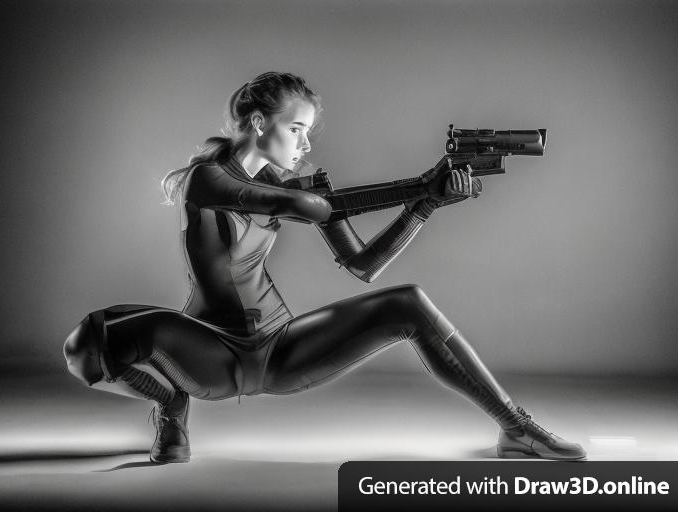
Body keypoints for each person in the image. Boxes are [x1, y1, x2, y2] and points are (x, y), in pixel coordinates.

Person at [63, 72, 585, 463]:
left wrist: (424, 204)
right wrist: (417, 186)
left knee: (408, 303)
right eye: (297, 129)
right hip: (208, 353)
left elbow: (364, 265)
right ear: (258, 123)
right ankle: (169, 404)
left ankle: (515, 428)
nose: (306, 144)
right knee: (87, 342)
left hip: (279, 349)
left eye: (308, 131)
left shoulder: (290, 181)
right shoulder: (208, 179)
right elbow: (308, 208)